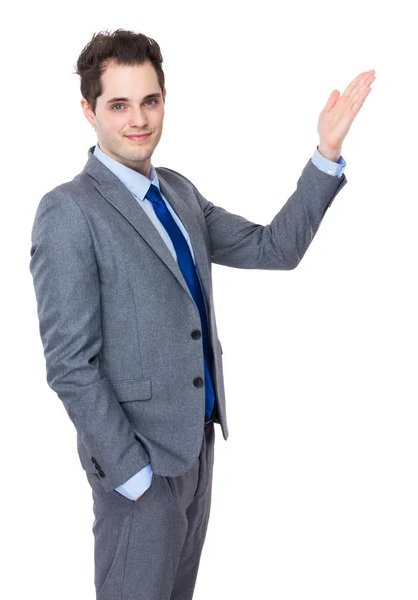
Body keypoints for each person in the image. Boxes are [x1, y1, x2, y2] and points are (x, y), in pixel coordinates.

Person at [29, 28, 375, 600]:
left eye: (150, 101)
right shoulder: (68, 211)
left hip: (196, 451)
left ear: (165, 99)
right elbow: (70, 365)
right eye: (119, 105)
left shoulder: (179, 193)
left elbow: (274, 249)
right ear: (88, 111)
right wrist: (134, 476)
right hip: (139, 471)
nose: (138, 119)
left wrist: (326, 153)